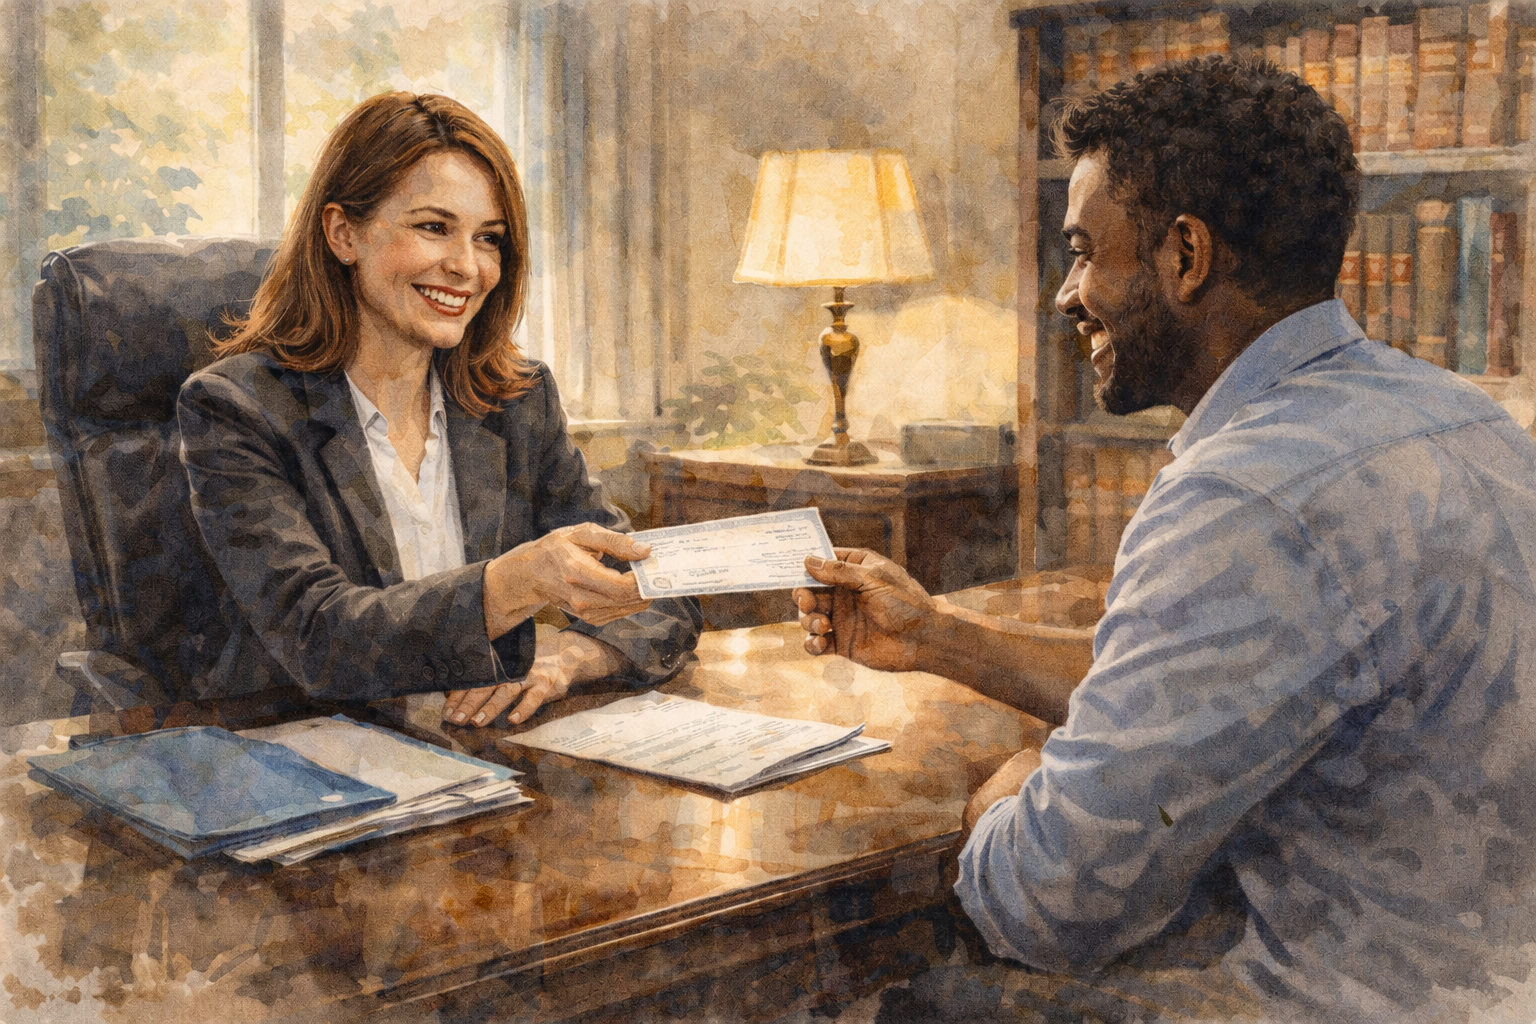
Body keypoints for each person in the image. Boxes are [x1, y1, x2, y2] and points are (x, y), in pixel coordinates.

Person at [795, 56, 1536, 1021]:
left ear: (1185, 256)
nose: (1067, 294)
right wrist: (939, 635)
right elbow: (1210, 684)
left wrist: (1006, 800)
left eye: (1082, 252)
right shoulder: (1460, 418)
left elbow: (1050, 901)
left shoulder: (1243, 497)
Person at [178, 92, 701, 725]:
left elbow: (662, 595)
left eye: (489, 239)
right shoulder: (236, 408)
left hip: (479, 757)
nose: (467, 267)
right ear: (343, 232)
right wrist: (511, 587)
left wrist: (572, 657)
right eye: (434, 227)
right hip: (305, 769)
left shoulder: (518, 401)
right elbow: (320, 639)